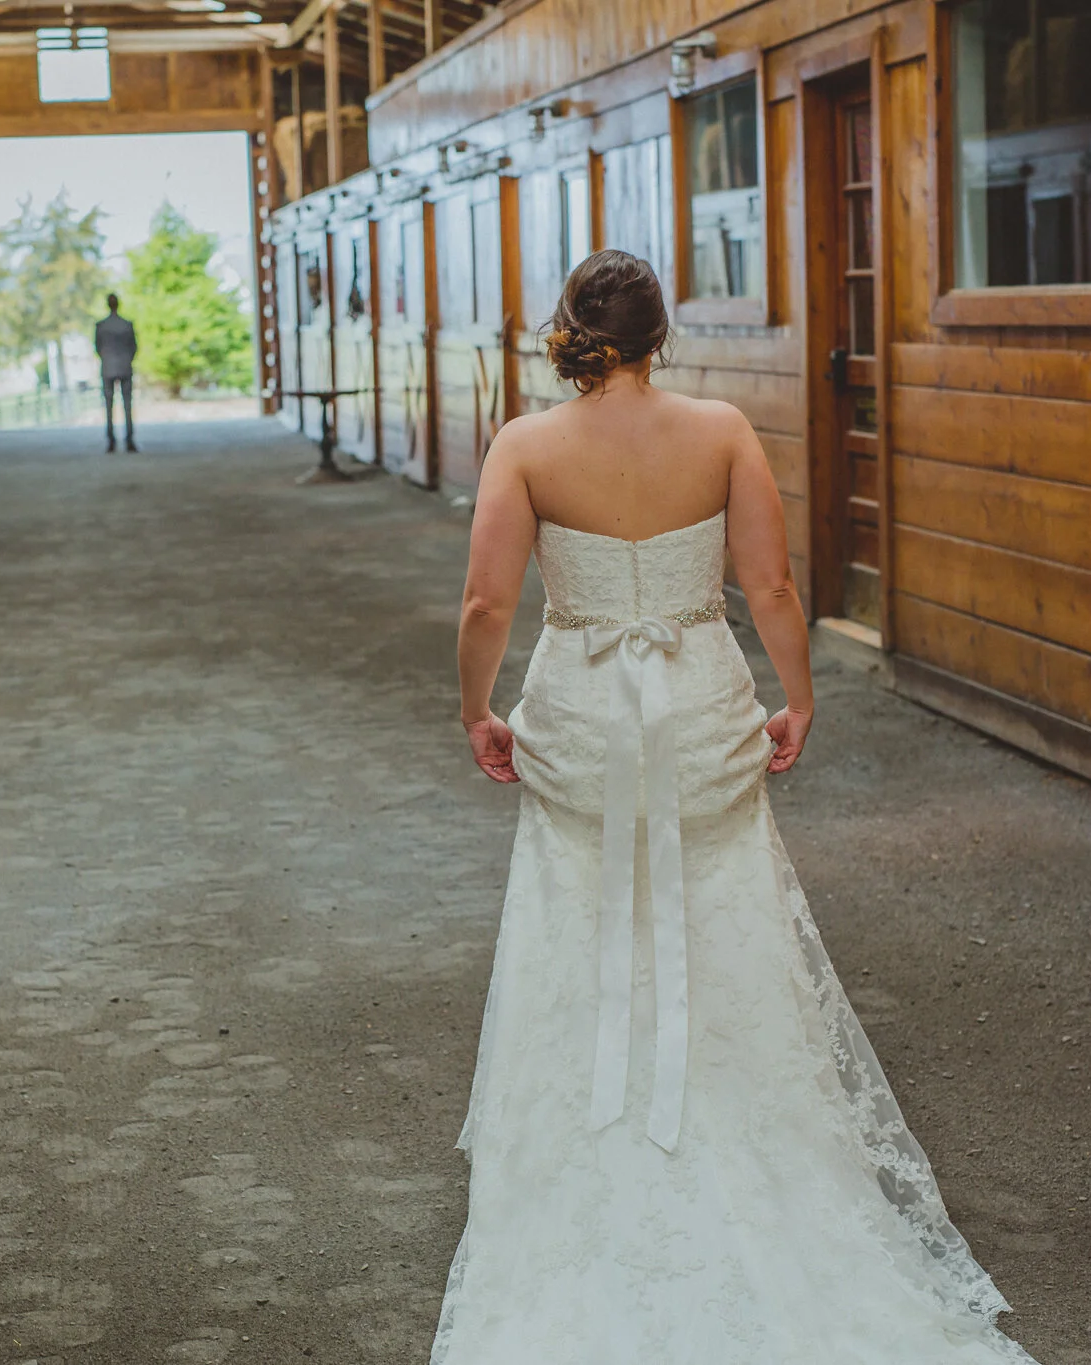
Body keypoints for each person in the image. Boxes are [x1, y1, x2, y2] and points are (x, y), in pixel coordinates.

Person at [439, 249, 1042, 1363]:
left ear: (572, 333)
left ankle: (584, 1138)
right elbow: (768, 585)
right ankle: (739, 1130)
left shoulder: (525, 445)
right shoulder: (720, 432)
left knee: (578, 901)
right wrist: (797, 698)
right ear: (659, 334)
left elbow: (487, 601)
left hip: (581, 715)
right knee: (722, 903)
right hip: (698, 710)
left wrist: (476, 709)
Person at [94, 293, 138, 453]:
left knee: (108, 405)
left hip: (108, 368)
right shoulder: (127, 325)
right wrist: (126, 359)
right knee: (127, 405)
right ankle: (129, 439)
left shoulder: (101, 326)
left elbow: (98, 347)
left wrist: (107, 359)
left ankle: (111, 440)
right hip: (125, 366)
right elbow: (134, 347)